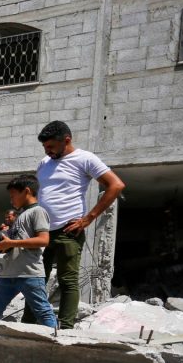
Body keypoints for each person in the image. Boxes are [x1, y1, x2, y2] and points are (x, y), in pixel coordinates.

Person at [25, 120, 125, 329]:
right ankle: (28, 324)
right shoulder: (44, 163)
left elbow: (116, 185)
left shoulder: (85, 159)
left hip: (67, 231)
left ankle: (65, 328)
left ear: (66, 140)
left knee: (67, 280)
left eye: (51, 146)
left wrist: (88, 218)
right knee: (35, 280)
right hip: (41, 231)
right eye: (44, 147)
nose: (47, 151)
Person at [0, 175, 57, 328]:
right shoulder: (21, 216)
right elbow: (19, 242)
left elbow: (43, 240)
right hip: (8, 273)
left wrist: (11, 243)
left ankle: (59, 340)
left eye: (13, 195)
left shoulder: (38, 211)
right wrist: (6, 245)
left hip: (29, 273)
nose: (11, 200)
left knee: (43, 312)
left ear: (27, 191)